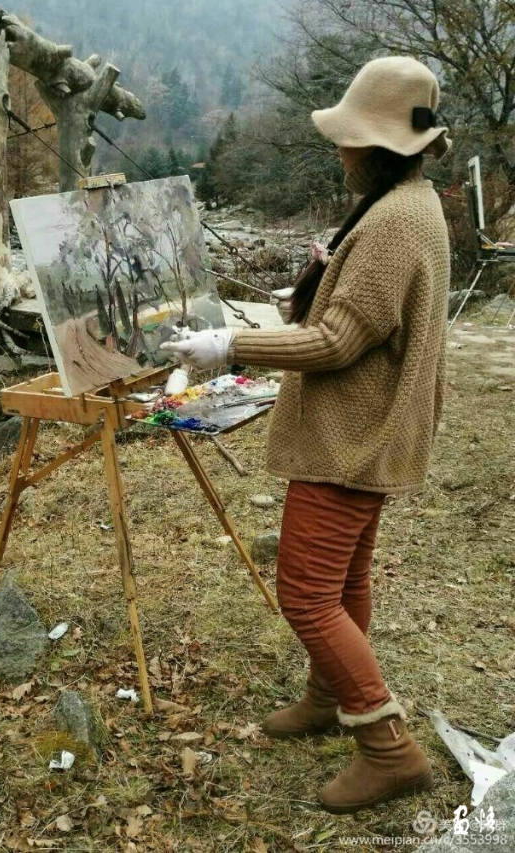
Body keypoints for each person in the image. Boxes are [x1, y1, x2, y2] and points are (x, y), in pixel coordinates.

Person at [161, 56, 451, 814]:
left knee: (306, 591)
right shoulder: (407, 202)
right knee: (344, 582)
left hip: (351, 439)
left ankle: (388, 746)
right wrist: (319, 284)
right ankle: (329, 697)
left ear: (380, 145)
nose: (341, 150)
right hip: (368, 431)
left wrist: (231, 345)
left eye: (350, 138)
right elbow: (360, 316)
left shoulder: (394, 221)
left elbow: (338, 342)